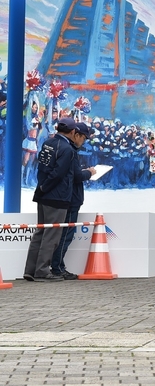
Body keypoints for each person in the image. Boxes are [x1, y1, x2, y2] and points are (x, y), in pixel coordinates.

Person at [24, 117, 78, 282]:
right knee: (51, 236)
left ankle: (30, 270)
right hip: (56, 196)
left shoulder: (48, 142)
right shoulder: (67, 149)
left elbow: (42, 167)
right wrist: (46, 187)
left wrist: (42, 187)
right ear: (73, 132)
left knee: (40, 233)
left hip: (42, 194)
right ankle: (42, 271)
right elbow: (59, 173)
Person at [50, 121, 97, 280]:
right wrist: (89, 173)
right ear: (75, 135)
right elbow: (76, 176)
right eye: (83, 138)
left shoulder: (66, 149)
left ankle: (58, 265)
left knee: (64, 234)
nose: (83, 142)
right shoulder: (69, 150)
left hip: (68, 198)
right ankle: (57, 267)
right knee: (65, 235)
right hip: (70, 199)